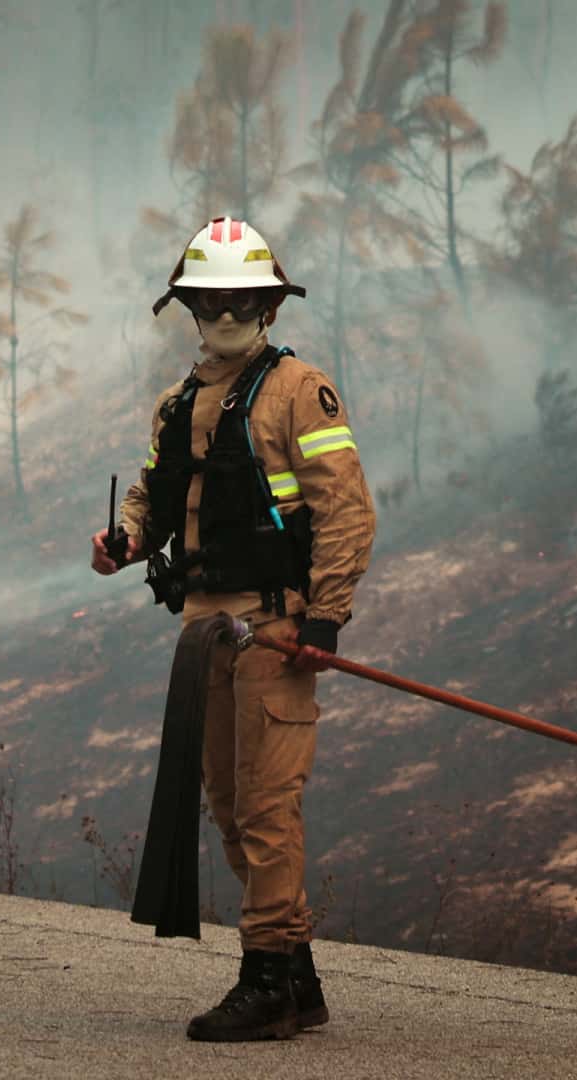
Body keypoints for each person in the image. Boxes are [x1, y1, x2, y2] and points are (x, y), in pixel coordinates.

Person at [90, 216, 377, 1041]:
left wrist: (325, 618)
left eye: (241, 299)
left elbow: (347, 512)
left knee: (266, 808)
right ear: (188, 307)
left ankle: (265, 981)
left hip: (274, 630)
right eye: (210, 300)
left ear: (269, 306)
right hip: (204, 636)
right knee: (227, 807)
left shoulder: (300, 392)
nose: (224, 313)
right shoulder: (177, 404)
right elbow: (154, 494)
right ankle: (298, 978)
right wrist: (125, 540)